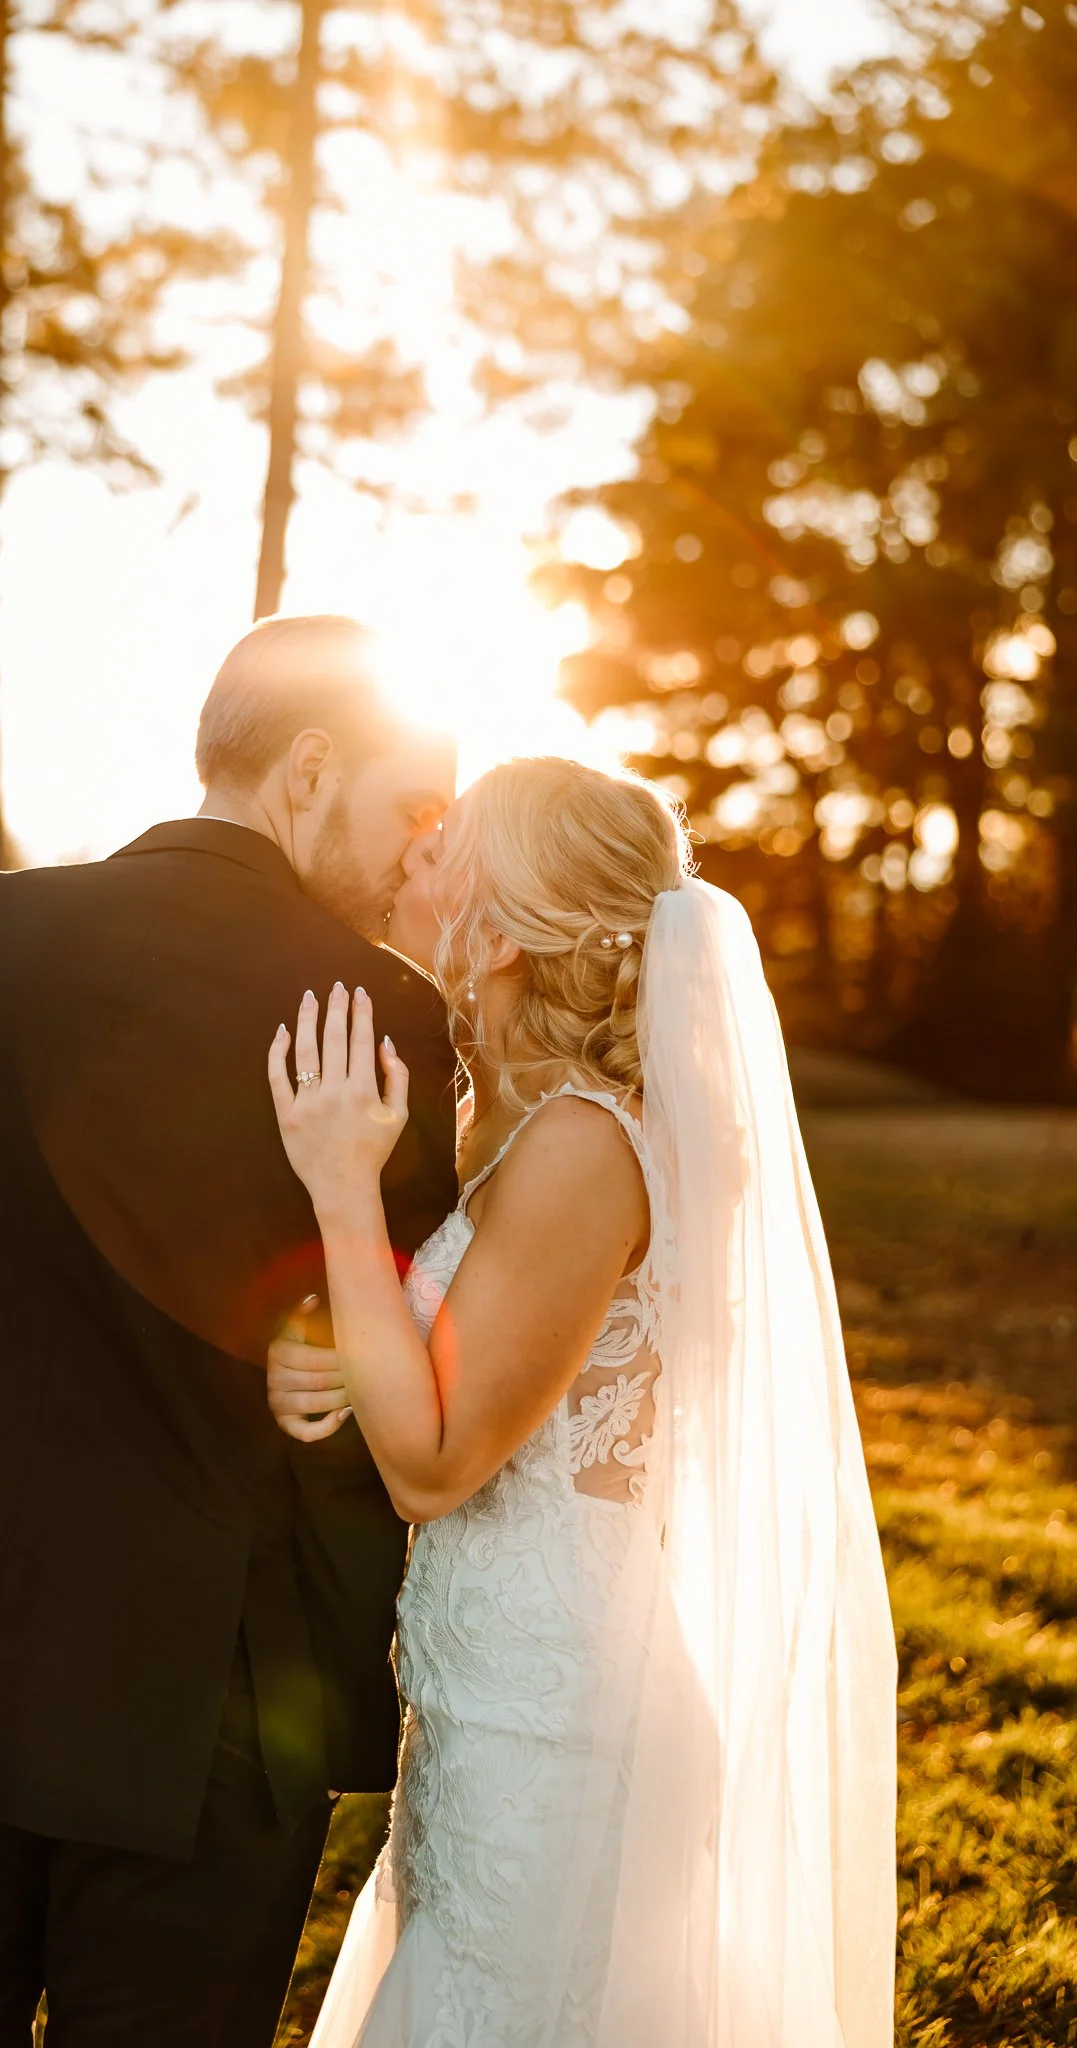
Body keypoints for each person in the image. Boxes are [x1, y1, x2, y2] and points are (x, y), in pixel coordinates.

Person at [0, 614, 458, 2047]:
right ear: (311, 769)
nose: (420, 851)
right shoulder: (383, 1015)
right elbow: (364, 1380)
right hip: (202, 1711)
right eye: (414, 809)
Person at [265, 755, 899, 2048]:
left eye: (449, 845)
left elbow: (435, 1468)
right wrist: (343, 1355)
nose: (414, 857)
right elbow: (493, 1382)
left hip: (560, 1733)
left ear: (502, 921)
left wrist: (338, 1187)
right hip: (492, 1703)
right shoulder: (520, 1119)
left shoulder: (580, 1145)